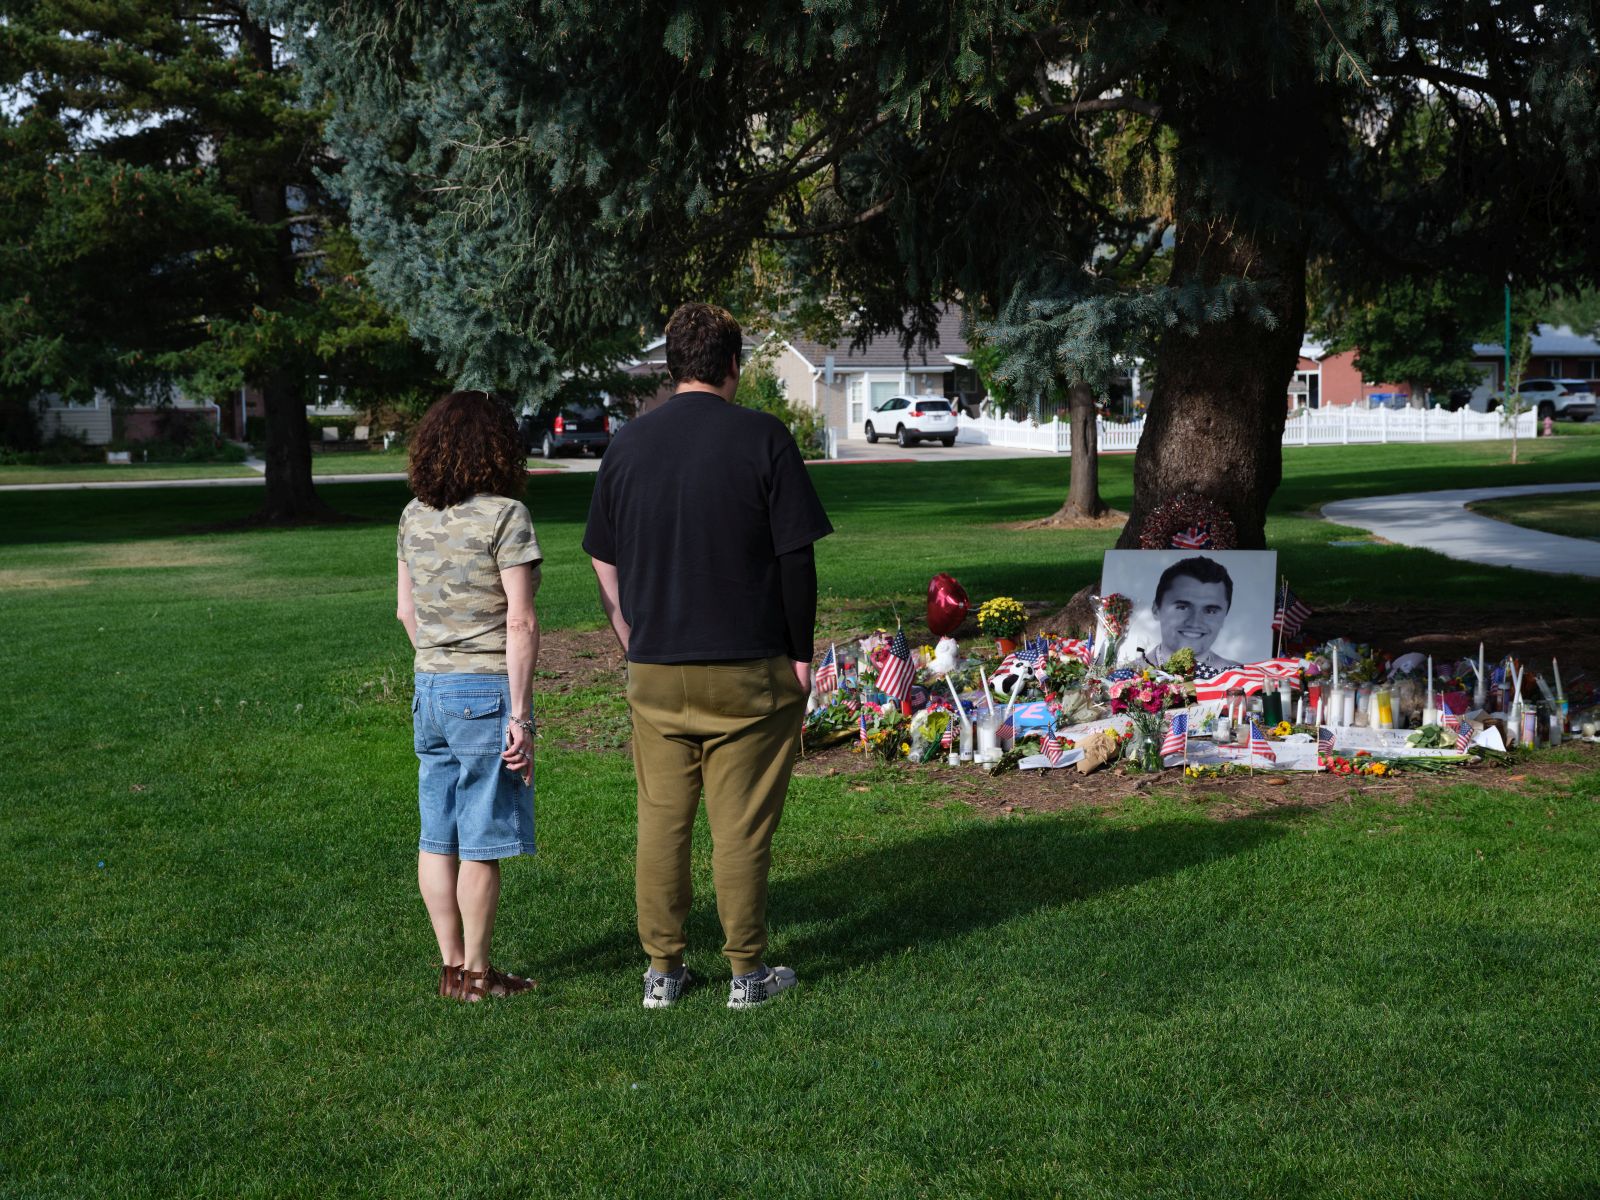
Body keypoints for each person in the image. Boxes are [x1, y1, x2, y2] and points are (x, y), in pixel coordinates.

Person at [583, 302, 833, 1010]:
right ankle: (746, 974)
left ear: (671, 366)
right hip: (748, 668)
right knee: (740, 828)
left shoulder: (628, 445)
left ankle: (662, 973)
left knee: (662, 823)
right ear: (732, 365)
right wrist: (801, 654)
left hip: (656, 668)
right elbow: (796, 559)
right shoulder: (763, 437)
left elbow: (602, 555)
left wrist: (628, 632)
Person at [396, 391, 542, 1002]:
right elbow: (520, 621)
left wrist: (439, 659)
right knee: (481, 837)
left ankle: (452, 970)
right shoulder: (506, 516)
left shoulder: (413, 515)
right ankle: (479, 977)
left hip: (428, 689)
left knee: (438, 835)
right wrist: (521, 716)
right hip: (483, 690)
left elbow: (405, 611)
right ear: (498, 449)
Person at [1144, 556, 1242, 673]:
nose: (1195, 622)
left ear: (1224, 616)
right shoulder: (1131, 675)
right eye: (1182, 607)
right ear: (1156, 609)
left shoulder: (1238, 675)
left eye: (1210, 611)